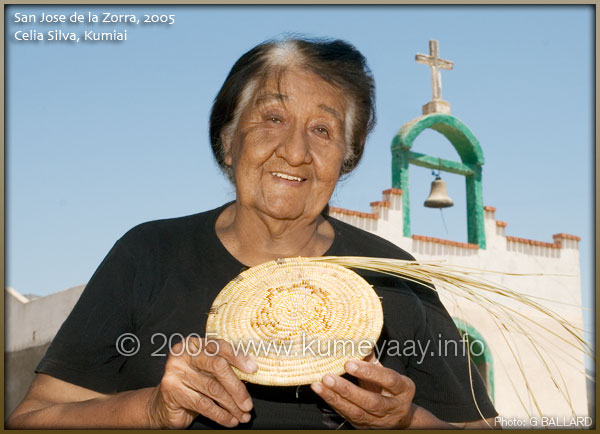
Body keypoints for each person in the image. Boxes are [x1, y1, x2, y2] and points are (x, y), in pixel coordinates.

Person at [7, 36, 498, 429]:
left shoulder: (395, 277)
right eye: (272, 117)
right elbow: (31, 419)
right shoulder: (149, 253)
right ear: (228, 141)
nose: (295, 150)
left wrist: (405, 421)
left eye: (323, 130)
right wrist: (153, 411)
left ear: (345, 160)